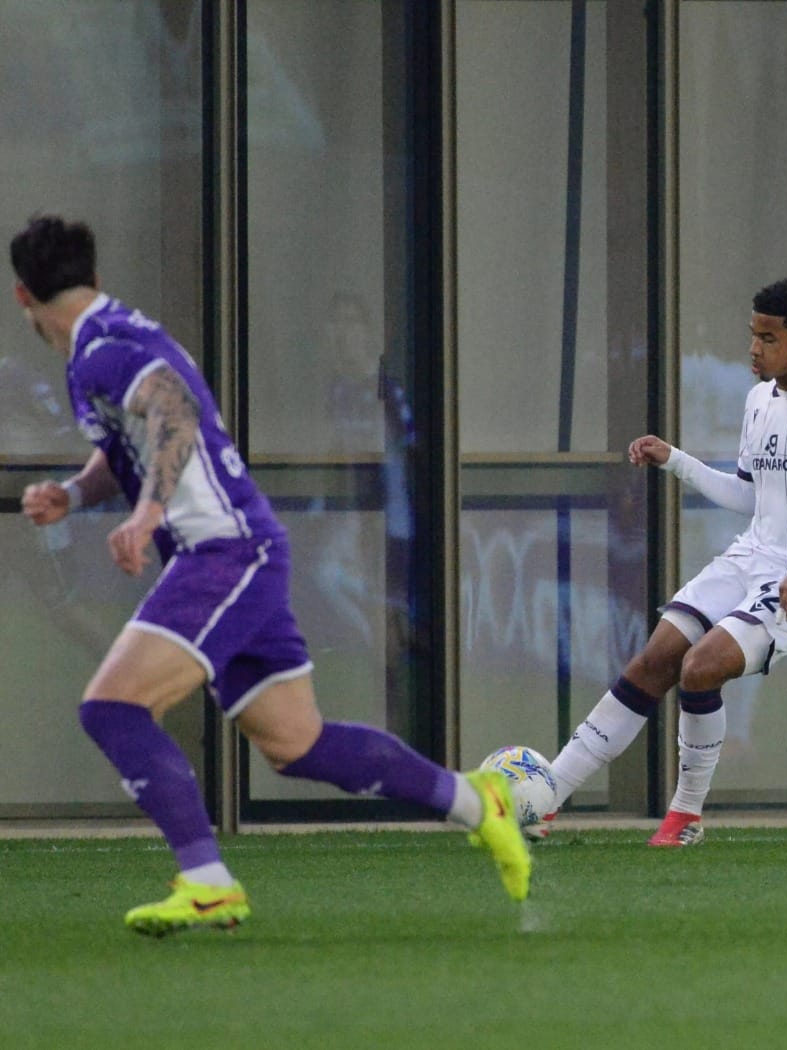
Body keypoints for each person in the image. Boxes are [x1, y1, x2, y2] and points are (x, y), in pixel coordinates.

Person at [10, 216, 530, 936]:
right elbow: (134, 441)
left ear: (20, 297)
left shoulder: (101, 350)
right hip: (246, 549)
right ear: (93, 279)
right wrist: (73, 494)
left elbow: (171, 410)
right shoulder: (110, 338)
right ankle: (478, 801)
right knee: (297, 743)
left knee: (113, 708)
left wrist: (148, 512)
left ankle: (207, 881)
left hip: (221, 554)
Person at [544, 278, 787, 846]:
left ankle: (685, 816)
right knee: (655, 659)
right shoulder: (758, 400)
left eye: (768, 337)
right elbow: (748, 497)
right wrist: (673, 459)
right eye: (752, 335)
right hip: (752, 555)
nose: (754, 348)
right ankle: (546, 796)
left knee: (701, 668)